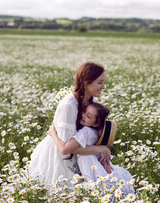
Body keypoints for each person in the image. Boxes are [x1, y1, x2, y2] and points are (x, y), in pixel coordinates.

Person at [29, 62, 112, 191]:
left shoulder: (89, 101)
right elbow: (66, 148)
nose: (103, 86)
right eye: (100, 82)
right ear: (86, 82)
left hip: (76, 155)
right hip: (58, 158)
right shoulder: (68, 106)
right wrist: (102, 149)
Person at [50, 102, 134, 193]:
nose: (83, 115)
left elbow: (64, 149)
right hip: (93, 162)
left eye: (88, 116)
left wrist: (53, 134)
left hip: (89, 164)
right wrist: (103, 149)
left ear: (95, 124)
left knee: (100, 187)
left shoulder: (85, 132)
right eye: (84, 111)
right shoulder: (94, 132)